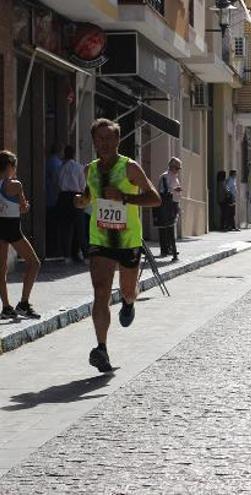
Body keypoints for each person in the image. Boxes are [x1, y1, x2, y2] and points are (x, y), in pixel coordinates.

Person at [73, 118, 161, 373]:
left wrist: (124, 197)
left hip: (128, 240)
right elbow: (88, 196)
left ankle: (129, 302)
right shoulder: (89, 170)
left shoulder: (130, 168)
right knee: (100, 291)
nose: (105, 143)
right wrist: (81, 201)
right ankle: (101, 348)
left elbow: (154, 198)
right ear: (94, 141)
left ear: (117, 140)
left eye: (110, 138)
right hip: (100, 238)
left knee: (127, 290)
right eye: (100, 139)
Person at [0, 151, 41, 319]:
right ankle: (23, 303)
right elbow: (23, 208)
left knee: (1, 269)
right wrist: (26, 206)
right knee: (34, 263)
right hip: (13, 229)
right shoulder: (16, 185)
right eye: (14, 166)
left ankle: (6, 307)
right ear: (10, 166)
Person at [57, 145, 86, 263]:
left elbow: (58, 182)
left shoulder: (61, 167)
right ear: (74, 154)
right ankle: (83, 254)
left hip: (63, 197)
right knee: (80, 226)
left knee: (66, 227)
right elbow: (83, 184)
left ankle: (66, 255)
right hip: (76, 196)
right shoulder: (79, 167)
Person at [157, 158, 182, 261]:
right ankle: (165, 249)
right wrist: (174, 189)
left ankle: (169, 248)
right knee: (165, 227)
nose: (178, 170)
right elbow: (162, 190)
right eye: (177, 168)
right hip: (167, 204)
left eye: (179, 168)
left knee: (170, 227)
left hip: (174, 203)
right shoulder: (165, 176)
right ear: (171, 166)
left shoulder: (175, 177)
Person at [45, 144, 62, 258]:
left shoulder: (48, 162)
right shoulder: (57, 163)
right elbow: (57, 181)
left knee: (50, 225)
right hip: (54, 199)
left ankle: (50, 248)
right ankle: (53, 249)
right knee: (54, 226)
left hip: (48, 198)